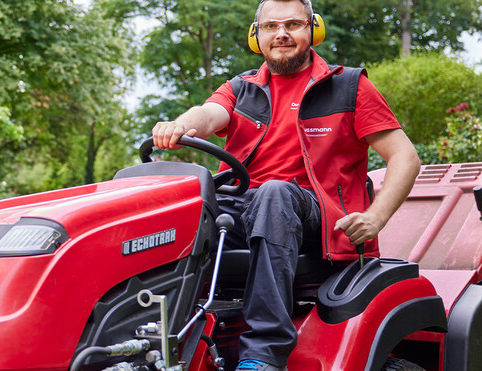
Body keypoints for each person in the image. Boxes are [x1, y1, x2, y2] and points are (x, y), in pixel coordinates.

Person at [152, 0, 420, 370]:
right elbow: (208, 115)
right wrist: (180, 125)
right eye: (271, 26)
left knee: (273, 192)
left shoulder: (348, 87)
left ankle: (263, 354)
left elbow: (405, 157)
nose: (281, 34)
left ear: (314, 29)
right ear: (256, 35)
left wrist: (375, 218)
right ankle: (155, 335)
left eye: (293, 24)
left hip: (316, 217)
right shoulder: (240, 89)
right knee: (176, 203)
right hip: (245, 209)